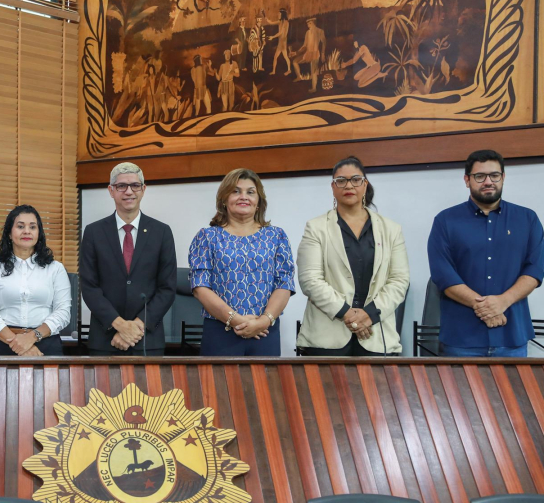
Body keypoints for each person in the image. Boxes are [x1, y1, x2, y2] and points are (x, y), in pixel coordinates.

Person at [428, 150, 544, 357]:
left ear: (503, 178)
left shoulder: (527, 219)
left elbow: (535, 269)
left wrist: (503, 301)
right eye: (480, 176)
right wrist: (483, 306)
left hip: (512, 337)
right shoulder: (445, 221)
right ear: (467, 180)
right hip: (461, 339)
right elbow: (442, 273)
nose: (488, 181)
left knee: (513, 391)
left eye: (494, 175)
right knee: (459, 392)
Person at [296, 157, 410, 356]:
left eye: (356, 179)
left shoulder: (391, 229)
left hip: (377, 337)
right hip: (326, 341)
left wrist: (369, 314)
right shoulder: (316, 228)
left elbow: (399, 280)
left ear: (365, 184)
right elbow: (310, 280)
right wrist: (348, 314)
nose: (348, 185)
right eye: (341, 180)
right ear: (333, 187)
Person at [188, 168, 295, 356]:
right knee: (218, 386)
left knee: (265, 386)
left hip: (265, 332)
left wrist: (263, 321)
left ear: (259, 202)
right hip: (220, 331)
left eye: (250, 192)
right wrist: (236, 320)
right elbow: (200, 287)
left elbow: (284, 283)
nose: (243, 196)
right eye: (235, 191)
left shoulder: (276, 236)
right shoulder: (207, 236)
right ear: (223, 199)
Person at [80, 162, 176, 356]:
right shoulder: (93, 232)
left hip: (148, 339)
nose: (129, 191)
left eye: (135, 185)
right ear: (111, 190)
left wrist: (136, 328)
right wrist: (119, 325)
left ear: (143, 189)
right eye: (121, 186)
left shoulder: (162, 232)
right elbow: (89, 287)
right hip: (104, 339)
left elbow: (167, 288)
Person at [0, 205, 71, 356]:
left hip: (46, 344)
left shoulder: (55, 269)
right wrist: (17, 343)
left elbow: (63, 312)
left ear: (39, 233)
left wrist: (31, 338)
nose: (27, 231)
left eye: (32, 227)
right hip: (4, 344)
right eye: (20, 226)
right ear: (9, 233)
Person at [293, 17, 327, 93]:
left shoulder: (320, 31)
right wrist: (296, 52)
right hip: (307, 53)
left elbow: (324, 43)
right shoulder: (307, 33)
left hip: (315, 53)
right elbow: (304, 46)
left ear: (314, 23)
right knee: (295, 61)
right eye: (307, 23)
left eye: (310, 23)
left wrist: (323, 53)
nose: (308, 24)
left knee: (313, 71)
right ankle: (299, 77)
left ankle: (314, 88)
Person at [265, 8, 291, 76]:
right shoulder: (280, 22)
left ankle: (288, 70)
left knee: (284, 56)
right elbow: (270, 22)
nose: (278, 15)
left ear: (282, 14)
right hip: (281, 42)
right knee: (277, 56)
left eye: (279, 14)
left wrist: (272, 37)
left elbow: (281, 32)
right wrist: (265, 16)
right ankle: (274, 71)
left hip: (283, 42)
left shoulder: (285, 22)